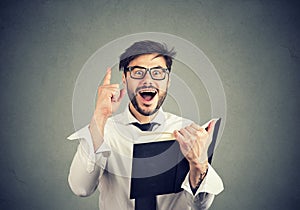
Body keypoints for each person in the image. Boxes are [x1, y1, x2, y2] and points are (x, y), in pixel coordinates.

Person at [67, 40, 224, 210]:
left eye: (157, 72)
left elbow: (200, 205)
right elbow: (81, 188)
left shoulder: (189, 133)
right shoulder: (103, 130)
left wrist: (199, 165)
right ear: (125, 79)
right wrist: (100, 116)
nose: (147, 81)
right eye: (138, 72)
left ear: (168, 80)